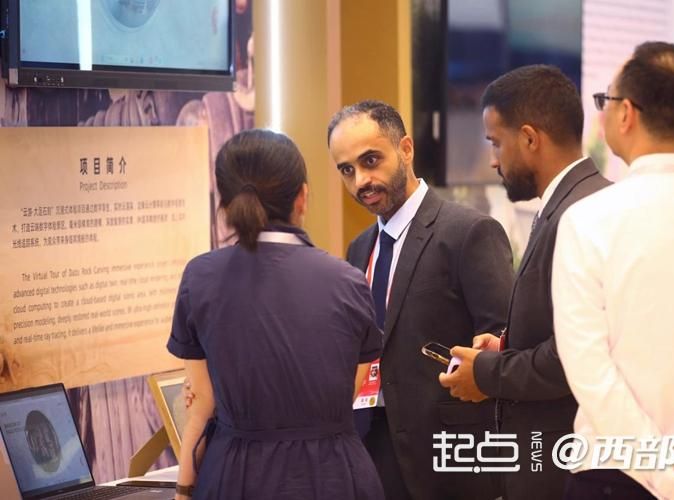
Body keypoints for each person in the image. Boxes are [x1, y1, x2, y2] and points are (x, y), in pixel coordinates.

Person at [552, 41, 674, 500]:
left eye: (605, 100)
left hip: (614, 478)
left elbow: (591, 373)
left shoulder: (587, 220)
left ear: (626, 113)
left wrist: (671, 477)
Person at [167, 129, 384, 500]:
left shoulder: (200, 277)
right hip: (335, 475)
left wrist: (184, 490)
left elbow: (201, 404)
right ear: (302, 196)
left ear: (225, 203)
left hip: (235, 476)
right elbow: (346, 391)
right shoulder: (348, 281)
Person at [437, 65, 610, 500]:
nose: (493, 160)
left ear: (530, 138)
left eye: (496, 142)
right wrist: (508, 344)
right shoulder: (580, 202)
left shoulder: (577, 214)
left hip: (566, 463)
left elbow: (572, 356)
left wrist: (486, 373)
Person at [327, 100, 514, 500]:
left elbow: (505, 344)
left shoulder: (468, 232)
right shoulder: (359, 248)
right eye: (347, 170)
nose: (361, 181)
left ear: (406, 149)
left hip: (449, 460)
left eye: (370, 160)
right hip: (370, 448)